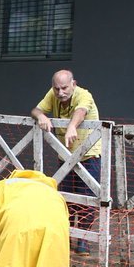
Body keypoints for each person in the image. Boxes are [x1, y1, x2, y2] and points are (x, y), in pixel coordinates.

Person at [31, 69, 101, 254]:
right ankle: (67, 235)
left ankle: (83, 240)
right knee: (65, 198)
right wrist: (41, 116)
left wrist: (71, 125)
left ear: (73, 84)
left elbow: (81, 110)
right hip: (65, 155)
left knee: (87, 198)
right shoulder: (52, 94)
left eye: (64, 88)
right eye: (56, 89)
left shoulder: (84, 95)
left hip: (88, 154)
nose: (60, 93)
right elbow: (36, 109)